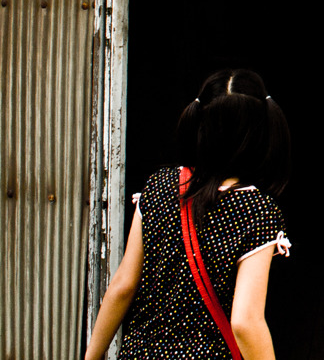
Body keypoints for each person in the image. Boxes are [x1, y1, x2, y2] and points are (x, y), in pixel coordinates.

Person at [84, 69, 292, 360]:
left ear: (200, 125)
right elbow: (245, 323)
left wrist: (91, 356)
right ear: (261, 134)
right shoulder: (257, 211)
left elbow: (122, 286)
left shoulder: (160, 185)